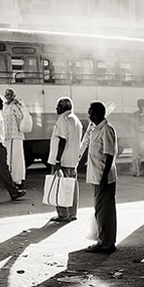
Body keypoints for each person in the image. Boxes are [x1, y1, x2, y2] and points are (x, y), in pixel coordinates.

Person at [79, 101, 118, 253]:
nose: (89, 116)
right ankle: (103, 240)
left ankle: (106, 243)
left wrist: (104, 177)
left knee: (104, 211)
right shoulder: (96, 129)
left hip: (104, 177)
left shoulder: (107, 129)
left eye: (92, 113)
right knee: (100, 209)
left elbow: (109, 154)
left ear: (100, 113)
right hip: (98, 176)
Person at [47, 97, 83, 222]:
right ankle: (72, 213)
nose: (56, 108)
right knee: (71, 186)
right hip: (72, 160)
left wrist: (57, 160)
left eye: (58, 106)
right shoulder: (76, 119)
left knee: (61, 187)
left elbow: (62, 140)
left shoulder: (63, 119)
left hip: (63, 159)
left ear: (65, 107)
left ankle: (63, 214)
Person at [3, 88, 26, 188]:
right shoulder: (5, 106)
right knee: (9, 159)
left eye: (10, 95)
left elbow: (21, 116)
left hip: (15, 135)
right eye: (7, 94)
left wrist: (18, 105)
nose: (8, 96)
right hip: (7, 136)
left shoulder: (15, 106)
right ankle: (11, 180)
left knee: (16, 159)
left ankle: (18, 180)